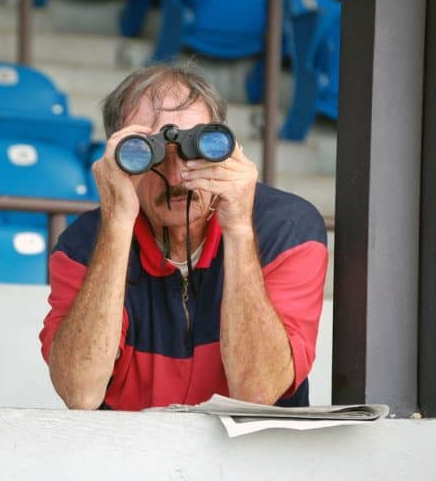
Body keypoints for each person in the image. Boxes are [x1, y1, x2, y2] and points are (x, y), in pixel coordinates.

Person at [39, 64, 328, 411]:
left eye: (196, 149)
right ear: (118, 158)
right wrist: (117, 224)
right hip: (131, 456)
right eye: (146, 152)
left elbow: (258, 392)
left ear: (225, 148)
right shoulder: (82, 247)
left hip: (255, 459)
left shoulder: (287, 229)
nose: (176, 176)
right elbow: (80, 394)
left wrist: (238, 229)